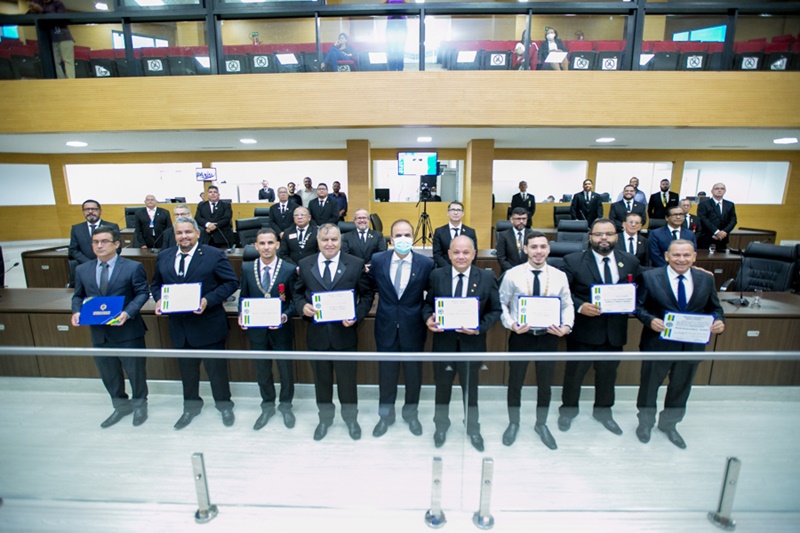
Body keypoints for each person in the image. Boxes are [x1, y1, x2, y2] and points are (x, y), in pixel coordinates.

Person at [151, 216, 239, 429]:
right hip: (180, 327)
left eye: (188, 232)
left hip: (208, 324)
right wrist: (159, 299)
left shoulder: (214, 255)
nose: (184, 236)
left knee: (216, 371)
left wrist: (208, 300)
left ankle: (224, 405)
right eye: (180, 233)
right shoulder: (164, 256)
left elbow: (231, 283)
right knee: (187, 372)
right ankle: (191, 407)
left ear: (198, 233)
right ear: (175, 236)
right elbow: (156, 285)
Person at [635, 240, 725, 449]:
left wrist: (719, 321)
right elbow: (638, 307)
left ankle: (670, 425)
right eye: (676, 255)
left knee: (681, 388)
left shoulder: (706, 279)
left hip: (691, 346)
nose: (681, 259)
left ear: (694, 257)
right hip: (657, 344)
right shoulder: (650, 277)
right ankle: (645, 424)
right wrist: (649, 320)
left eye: (686, 255)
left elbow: (715, 308)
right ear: (667, 256)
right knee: (649, 387)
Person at [558, 218, 642, 435]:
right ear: (590, 237)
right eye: (598, 234)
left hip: (614, 332)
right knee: (574, 374)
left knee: (608, 375)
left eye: (609, 234)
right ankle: (568, 411)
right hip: (584, 330)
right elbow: (563, 293)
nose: (604, 238)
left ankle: (603, 412)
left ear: (617, 236)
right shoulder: (573, 260)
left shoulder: (630, 261)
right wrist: (579, 306)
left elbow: (641, 287)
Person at [293, 223, 374, 441]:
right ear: (317, 241)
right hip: (317, 335)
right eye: (325, 239)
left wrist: (356, 315)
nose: (330, 244)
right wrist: (302, 307)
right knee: (322, 382)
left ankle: (351, 419)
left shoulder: (355, 264)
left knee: (348, 383)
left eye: (334, 239)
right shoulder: (305, 263)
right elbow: (297, 293)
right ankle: (325, 419)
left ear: (340, 241)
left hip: (345, 335)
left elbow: (367, 296)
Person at [423, 235, 501, 452]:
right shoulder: (437, 275)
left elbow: (495, 310)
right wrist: (428, 319)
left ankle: (473, 428)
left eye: (466, 252)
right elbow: (428, 305)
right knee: (442, 389)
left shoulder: (486, 277)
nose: (461, 256)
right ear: (448, 254)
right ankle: (441, 426)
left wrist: (479, 328)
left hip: (472, 347)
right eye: (456, 252)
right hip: (444, 346)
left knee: (471, 391)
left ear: (474, 254)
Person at [498, 232, 574, 450]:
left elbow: (567, 304)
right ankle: (514, 422)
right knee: (515, 383)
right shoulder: (512, 274)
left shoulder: (559, 275)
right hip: (521, 337)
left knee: (545, 384)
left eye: (542, 247)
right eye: (533, 247)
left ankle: (541, 424)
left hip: (549, 337)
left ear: (549, 249)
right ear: (526, 249)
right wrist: (511, 324)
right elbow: (502, 303)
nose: (538, 251)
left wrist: (566, 326)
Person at [70, 226, 150, 428]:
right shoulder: (82, 269)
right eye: (95, 242)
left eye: (104, 241)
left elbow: (142, 293)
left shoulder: (133, 267)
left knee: (135, 372)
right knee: (109, 374)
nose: (99, 245)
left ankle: (140, 405)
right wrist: (77, 311)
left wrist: (128, 312)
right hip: (100, 333)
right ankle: (121, 406)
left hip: (128, 331)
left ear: (116, 244)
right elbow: (78, 296)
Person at [367, 219, 434, 438]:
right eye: (399, 235)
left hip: (413, 327)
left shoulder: (426, 264)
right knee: (386, 374)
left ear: (413, 238)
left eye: (407, 235)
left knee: (413, 375)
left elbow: (430, 297)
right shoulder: (378, 260)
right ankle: (385, 416)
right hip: (385, 325)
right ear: (391, 238)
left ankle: (411, 414)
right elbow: (367, 287)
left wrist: (430, 316)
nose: (403, 239)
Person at [238, 228, 297, 430]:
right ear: (255, 246)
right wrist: (242, 314)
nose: (266, 247)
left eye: (270, 243)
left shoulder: (288, 269)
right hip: (257, 330)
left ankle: (286, 406)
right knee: (262, 371)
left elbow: (294, 302)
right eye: (262, 243)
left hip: (281, 328)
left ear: (277, 245)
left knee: (285, 370)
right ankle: (267, 406)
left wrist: (285, 315)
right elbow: (243, 297)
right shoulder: (247, 268)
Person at [27, 0, 75, 79]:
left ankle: (71, 81)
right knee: (54, 63)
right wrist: (33, 9)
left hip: (64, 37)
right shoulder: (40, 4)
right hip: (51, 40)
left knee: (68, 61)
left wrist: (41, 10)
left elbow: (61, 18)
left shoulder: (57, 4)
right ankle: (61, 82)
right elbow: (28, 17)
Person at [69, 199, 120, 266]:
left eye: (94, 209)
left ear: (100, 211)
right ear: (83, 211)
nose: (90, 211)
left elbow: (117, 248)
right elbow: (73, 250)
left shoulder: (112, 226)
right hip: (85, 265)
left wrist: (102, 261)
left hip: (107, 264)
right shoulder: (76, 228)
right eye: (87, 209)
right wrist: (88, 263)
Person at [432, 201, 477, 269]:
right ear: (448, 213)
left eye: (459, 210)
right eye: (453, 210)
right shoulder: (439, 232)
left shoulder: (470, 232)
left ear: (463, 213)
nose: (456, 213)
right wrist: (450, 269)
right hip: (444, 270)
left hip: (464, 269)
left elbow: (473, 253)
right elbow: (437, 254)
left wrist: (463, 267)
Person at [697, 182, 737, 251]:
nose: (719, 190)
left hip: (722, 238)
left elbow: (733, 220)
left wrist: (724, 232)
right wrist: (717, 232)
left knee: (720, 260)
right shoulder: (704, 204)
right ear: (712, 191)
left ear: (725, 191)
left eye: (722, 189)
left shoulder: (730, 204)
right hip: (707, 237)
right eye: (717, 188)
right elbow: (703, 219)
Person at [195, 185, 234, 250]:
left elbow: (227, 218)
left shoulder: (226, 205)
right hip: (206, 237)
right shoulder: (201, 205)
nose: (213, 194)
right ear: (207, 194)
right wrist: (208, 225)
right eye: (210, 192)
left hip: (222, 237)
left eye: (215, 192)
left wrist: (214, 226)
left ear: (218, 195)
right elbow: (197, 218)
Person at [495, 208, 530, 273]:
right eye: (518, 219)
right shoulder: (503, 235)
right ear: (511, 220)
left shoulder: (532, 235)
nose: (521, 221)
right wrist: (513, 271)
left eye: (524, 219)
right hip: (509, 272)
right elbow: (501, 257)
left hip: (528, 272)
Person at [385, 0, 408, 71]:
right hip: (391, 21)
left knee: (400, 48)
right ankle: (392, 70)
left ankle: (400, 69)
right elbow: (383, 2)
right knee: (391, 48)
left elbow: (407, 2)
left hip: (401, 21)